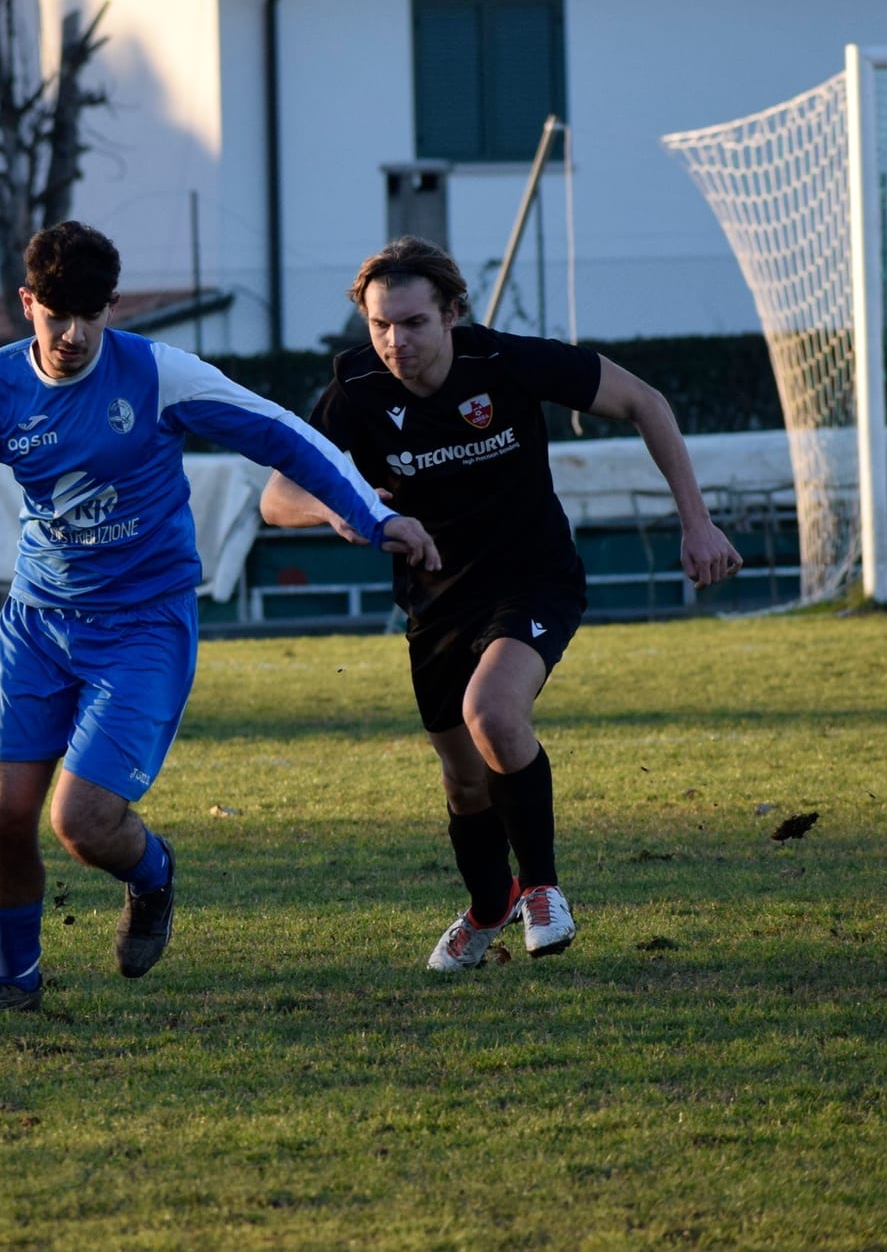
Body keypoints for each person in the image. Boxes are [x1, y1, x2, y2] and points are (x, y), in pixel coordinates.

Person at [0, 221, 440, 1011]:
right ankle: (18, 986)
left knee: (83, 819)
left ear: (112, 307)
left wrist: (374, 518)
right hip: (39, 622)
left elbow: (281, 434)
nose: (70, 334)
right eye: (53, 313)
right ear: (27, 302)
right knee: (2, 813)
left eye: (88, 314)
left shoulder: (155, 374)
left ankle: (153, 876)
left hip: (143, 623)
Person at [260, 236, 741, 973]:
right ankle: (490, 905)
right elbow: (277, 495)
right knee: (462, 779)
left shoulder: (507, 362)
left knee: (494, 713)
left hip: (534, 578)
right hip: (435, 603)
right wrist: (338, 510)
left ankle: (543, 890)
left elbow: (646, 401)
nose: (396, 341)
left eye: (414, 322)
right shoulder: (354, 391)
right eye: (381, 325)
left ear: (452, 313)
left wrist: (697, 521)